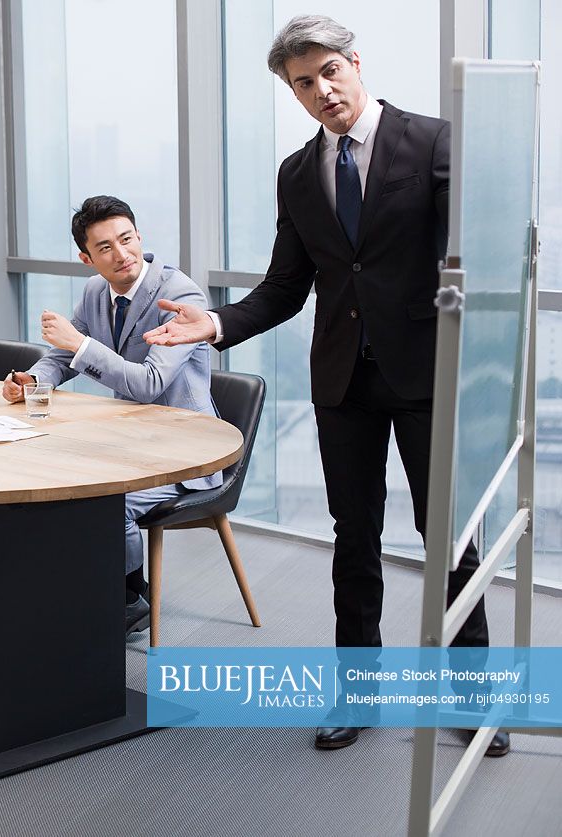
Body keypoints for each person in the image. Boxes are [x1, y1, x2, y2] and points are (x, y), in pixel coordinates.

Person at [143, 15, 506, 756]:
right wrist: (211, 325)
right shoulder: (296, 172)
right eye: (302, 83)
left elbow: (474, 251)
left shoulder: (431, 140)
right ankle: (357, 692)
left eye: (328, 72)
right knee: (354, 538)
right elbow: (284, 286)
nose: (320, 91)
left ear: (354, 64)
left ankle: (473, 703)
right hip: (342, 381)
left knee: (449, 538)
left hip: (427, 375)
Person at [2, 195, 220, 636]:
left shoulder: (178, 294)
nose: (121, 255)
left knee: (106, 502)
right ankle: (88, 588)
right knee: (53, 480)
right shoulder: (95, 292)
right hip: (127, 442)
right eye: (105, 248)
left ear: (139, 236)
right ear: (87, 257)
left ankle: (124, 599)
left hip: (185, 452)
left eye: (126, 239)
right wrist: (32, 378)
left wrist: (80, 345)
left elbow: (149, 383)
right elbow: (62, 356)